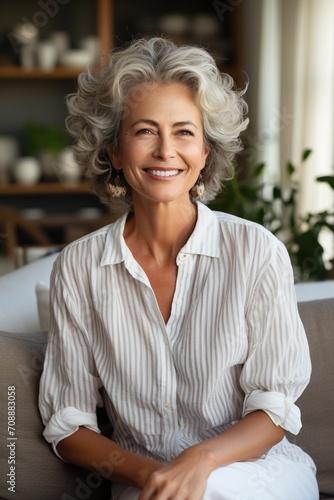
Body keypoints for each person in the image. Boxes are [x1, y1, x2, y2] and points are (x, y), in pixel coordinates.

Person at [39, 37, 318, 500]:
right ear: (113, 150)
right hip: (143, 483)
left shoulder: (256, 251)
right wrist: (153, 475)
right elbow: (67, 423)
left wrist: (199, 461)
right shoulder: (78, 268)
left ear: (206, 151)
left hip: (256, 474)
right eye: (145, 131)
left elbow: (275, 408)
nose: (165, 150)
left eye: (185, 132)